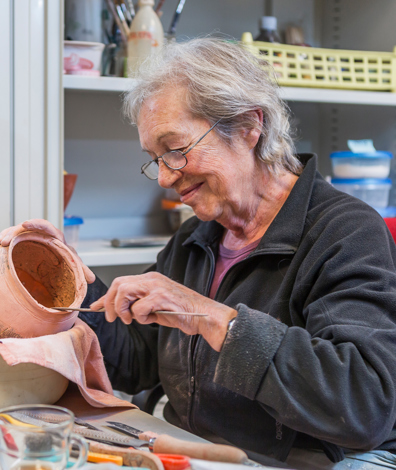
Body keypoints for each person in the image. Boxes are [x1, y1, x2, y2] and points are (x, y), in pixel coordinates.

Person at [2, 38, 396, 470]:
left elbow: (365, 403)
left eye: (176, 149)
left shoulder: (345, 232)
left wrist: (213, 318)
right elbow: (137, 359)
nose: (165, 177)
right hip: (192, 446)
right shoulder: (198, 237)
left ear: (249, 126)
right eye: (155, 158)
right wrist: (66, 278)